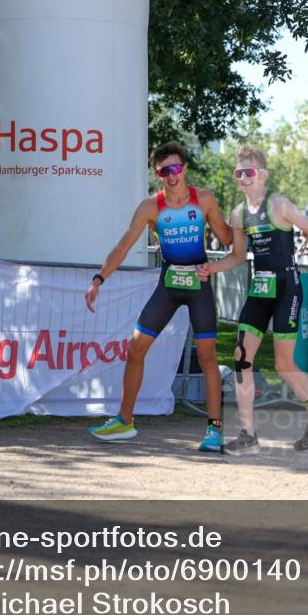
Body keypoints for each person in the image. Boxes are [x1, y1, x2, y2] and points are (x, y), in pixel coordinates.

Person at [199, 146, 308, 455]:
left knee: (284, 364)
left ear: (263, 174)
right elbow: (239, 256)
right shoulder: (238, 214)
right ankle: (248, 434)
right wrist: (211, 268)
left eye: (249, 172)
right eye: (239, 173)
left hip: (287, 287)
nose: (243, 178)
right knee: (241, 359)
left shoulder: (279, 205)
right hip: (259, 288)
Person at [85, 142, 233, 451]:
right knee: (135, 348)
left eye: (176, 168)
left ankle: (215, 430)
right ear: (158, 175)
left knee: (207, 356)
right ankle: (125, 422)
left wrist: (248, 222)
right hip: (169, 285)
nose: (172, 175)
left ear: (185, 169)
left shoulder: (203, 200)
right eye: (165, 171)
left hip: (199, 286)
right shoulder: (150, 207)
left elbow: (228, 237)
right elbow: (124, 245)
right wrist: (99, 278)